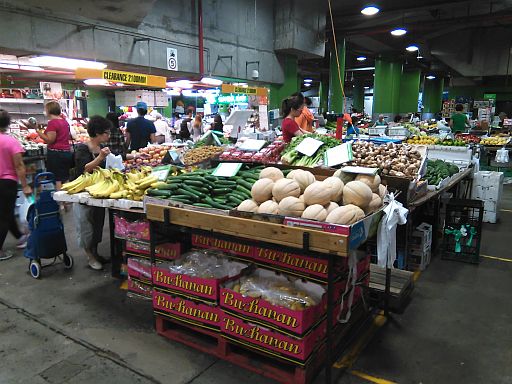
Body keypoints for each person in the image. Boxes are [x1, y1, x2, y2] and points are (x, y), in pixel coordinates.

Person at [73, 116, 112, 271]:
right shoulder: (83, 148)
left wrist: (134, 156)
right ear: (97, 133)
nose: (108, 136)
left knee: (97, 224)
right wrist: (101, 157)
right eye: (106, 133)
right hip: (84, 193)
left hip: (99, 192)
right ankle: (90, 256)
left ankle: (95, 253)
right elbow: (83, 168)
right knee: (85, 225)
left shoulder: (101, 147)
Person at [0, 110, 32, 260]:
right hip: (6, 182)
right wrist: (25, 185)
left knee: (6, 212)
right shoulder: (10, 141)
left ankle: (19, 236)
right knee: (4, 216)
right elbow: (19, 166)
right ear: (7, 124)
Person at [37, 101, 72, 191]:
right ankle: (68, 201)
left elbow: (50, 139)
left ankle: (60, 202)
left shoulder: (53, 123)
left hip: (56, 154)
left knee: (57, 179)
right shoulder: (64, 122)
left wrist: (38, 131)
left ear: (49, 110)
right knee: (65, 177)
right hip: (66, 152)